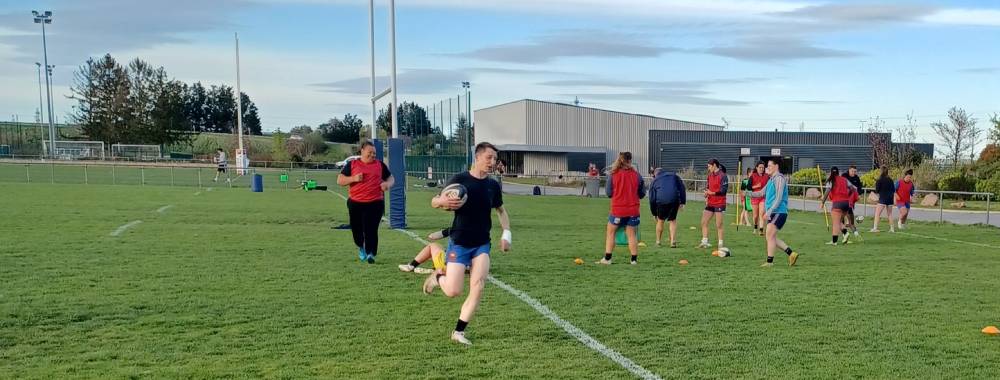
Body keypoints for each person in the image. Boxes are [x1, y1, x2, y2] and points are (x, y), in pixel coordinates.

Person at [422, 142, 511, 346]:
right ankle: (438, 277)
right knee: (454, 291)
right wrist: (442, 202)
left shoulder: (492, 186)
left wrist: (507, 234)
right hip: (460, 242)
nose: (492, 163)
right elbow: (434, 201)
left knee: (478, 286)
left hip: (482, 244)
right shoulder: (460, 180)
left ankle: (459, 332)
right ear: (477, 157)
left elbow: (501, 211)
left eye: (495, 159)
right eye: (489, 158)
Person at [337, 141, 394, 264]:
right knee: (357, 230)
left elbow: (391, 178)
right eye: (370, 152)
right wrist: (354, 178)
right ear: (362, 151)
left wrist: (387, 184)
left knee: (371, 229)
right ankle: (361, 247)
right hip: (355, 203)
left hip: (375, 203)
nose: (373, 155)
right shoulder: (352, 164)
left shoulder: (380, 165)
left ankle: (371, 253)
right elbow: (340, 180)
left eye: (374, 153)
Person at [749, 158, 799, 267]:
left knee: (769, 235)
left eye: (769, 166)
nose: (767, 168)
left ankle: (769, 262)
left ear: (776, 166)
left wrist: (770, 211)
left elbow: (779, 197)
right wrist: (747, 193)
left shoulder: (779, 179)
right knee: (770, 237)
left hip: (779, 211)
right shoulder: (771, 179)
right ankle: (791, 253)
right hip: (773, 212)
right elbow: (761, 193)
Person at [597, 152, 646, 264]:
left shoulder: (613, 175)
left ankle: (607, 258)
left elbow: (609, 193)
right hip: (633, 210)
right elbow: (642, 194)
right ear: (630, 160)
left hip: (618, 210)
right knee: (631, 235)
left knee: (611, 233)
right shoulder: (637, 175)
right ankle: (633, 260)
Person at [820, 166, 858, 245]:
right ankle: (845, 233)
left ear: (831, 172)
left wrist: (822, 202)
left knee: (835, 222)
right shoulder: (844, 179)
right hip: (846, 203)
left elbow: (827, 191)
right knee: (839, 221)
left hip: (837, 203)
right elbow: (852, 189)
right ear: (838, 172)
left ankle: (834, 241)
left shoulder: (831, 180)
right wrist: (847, 195)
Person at [649, 167, 686, 248]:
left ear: (655, 174)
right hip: (674, 200)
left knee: (660, 220)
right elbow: (682, 188)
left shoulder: (654, 180)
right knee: (672, 220)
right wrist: (682, 202)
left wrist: (654, 213)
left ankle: (658, 241)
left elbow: (652, 199)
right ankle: (673, 241)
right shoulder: (674, 176)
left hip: (661, 200)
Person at [699, 159, 728, 249]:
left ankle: (720, 244)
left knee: (719, 224)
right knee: (703, 222)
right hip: (710, 202)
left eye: (709, 166)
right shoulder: (710, 176)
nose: (708, 168)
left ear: (714, 165)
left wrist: (712, 193)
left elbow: (723, 191)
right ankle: (704, 242)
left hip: (719, 203)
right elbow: (708, 188)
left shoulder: (723, 176)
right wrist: (706, 193)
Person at [871, 165, 896, 233]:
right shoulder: (891, 180)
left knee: (877, 213)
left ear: (881, 171)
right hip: (890, 198)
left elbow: (877, 190)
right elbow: (893, 190)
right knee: (889, 214)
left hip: (883, 198)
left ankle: (875, 228)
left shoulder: (879, 180)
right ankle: (892, 228)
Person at [842, 164, 863, 238]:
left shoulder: (856, 178)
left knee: (849, 214)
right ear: (849, 170)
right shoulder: (844, 176)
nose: (854, 173)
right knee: (844, 215)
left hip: (852, 199)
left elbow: (860, 186)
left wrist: (859, 194)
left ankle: (847, 231)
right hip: (844, 199)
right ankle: (847, 230)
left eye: (855, 171)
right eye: (852, 171)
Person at [749, 161, 770, 235]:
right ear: (757, 168)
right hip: (754, 197)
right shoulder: (753, 176)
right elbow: (748, 188)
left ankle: (761, 230)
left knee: (762, 213)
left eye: (763, 168)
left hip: (763, 198)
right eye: (760, 167)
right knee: (755, 216)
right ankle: (755, 227)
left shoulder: (767, 176)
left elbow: (770, 186)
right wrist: (756, 186)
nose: (761, 169)